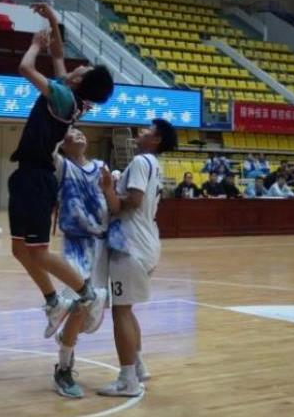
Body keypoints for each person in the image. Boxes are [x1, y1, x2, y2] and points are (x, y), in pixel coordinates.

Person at [11, 2, 112, 338]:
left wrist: (34, 45)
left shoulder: (63, 97)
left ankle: (88, 293)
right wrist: (54, 20)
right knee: (19, 249)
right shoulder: (68, 91)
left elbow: (25, 68)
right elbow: (58, 54)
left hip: (38, 176)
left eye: (83, 68)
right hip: (26, 173)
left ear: (80, 80)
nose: (77, 65)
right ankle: (54, 302)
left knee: (38, 251)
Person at [99, 119, 177, 397]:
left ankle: (128, 380)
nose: (141, 132)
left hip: (130, 244)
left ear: (156, 140)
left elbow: (132, 201)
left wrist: (108, 190)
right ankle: (139, 366)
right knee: (127, 308)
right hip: (146, 240)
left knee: (120, 311)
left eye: (147, 130)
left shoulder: (142, 161)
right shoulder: (154, 163)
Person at [51, 127, 110, 398]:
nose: (79, 134)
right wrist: (60, 128)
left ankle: (66, 337)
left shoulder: (101, 167)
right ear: (63, 143)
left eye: (81, 132)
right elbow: (48, 151)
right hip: (75, 244)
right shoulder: (62, 165)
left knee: (90, 313)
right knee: (79, 302)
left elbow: (112, 201)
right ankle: (63, 368)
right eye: (72, 133)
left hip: (101, 243)